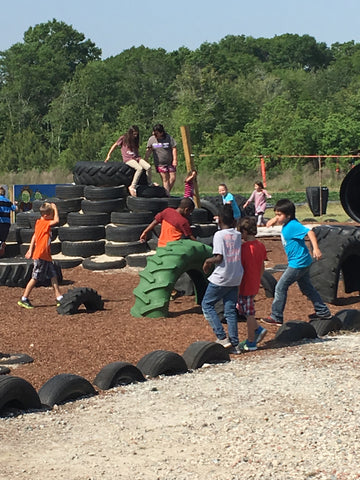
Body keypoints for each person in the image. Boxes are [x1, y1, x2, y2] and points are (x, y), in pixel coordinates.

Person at [262, 198, 331, 326]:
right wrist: (274, 219)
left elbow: (309, 232)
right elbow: (280, 218)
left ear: (288, 215)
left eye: (279, 215)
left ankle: (276, 316)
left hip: (298, 263)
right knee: (307, 288)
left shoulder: (293, 225)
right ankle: (323, 311)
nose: (277, 217)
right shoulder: (287, 223)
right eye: (276, 214)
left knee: (280, 287)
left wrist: (316, 248)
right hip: (303, 261)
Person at [201, 204, 243, 354]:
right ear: (234, 221)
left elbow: (219, 258)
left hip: (221, 277)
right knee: (230, 311)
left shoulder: (219, 235)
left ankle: (222, 337)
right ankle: (235, 344)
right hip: (236, 276)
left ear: (219, 221)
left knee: (207, 305)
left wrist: (207, 261)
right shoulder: (237, 235)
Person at [17, 202, 63, 309]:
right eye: (51, 214)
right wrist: (55, 209)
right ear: (46, 215)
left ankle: (59, 297)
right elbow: (57, 221)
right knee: (35, 277)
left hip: (46, 255)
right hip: (41, 256)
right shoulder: (44, 223)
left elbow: (34, 236)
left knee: (53, 275)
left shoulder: (39, 223)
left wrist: (30, 249)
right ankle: (24, 298)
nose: (53, 216)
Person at [237, 217, 268, 351]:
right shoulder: (260, 245)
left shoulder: (243, 248)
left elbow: (240, 268)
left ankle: (251, 341)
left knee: (249, 313)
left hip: (245, 283)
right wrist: (259, 278)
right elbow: (262, 265)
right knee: (244, 309)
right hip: (255, 280)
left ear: (244, 231)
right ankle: (258, 329)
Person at [105, 125, 152, 197]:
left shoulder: (136, 139)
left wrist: (140, 158)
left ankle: (149, 183)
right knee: (139, 168)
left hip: (137, 157)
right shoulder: (123, 138)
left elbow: (136, 150)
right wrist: (109, 155)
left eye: (136, 134)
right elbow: (114, 145)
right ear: (130, 133)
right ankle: (132, 186)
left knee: (148, 167)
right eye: (134, 134)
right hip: (128, 159)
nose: (135, 136)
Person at [145, 124, 177, 195]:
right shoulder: (152, 139)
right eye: (154, 132)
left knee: (173, 178)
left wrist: (175, 159)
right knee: (165, 179)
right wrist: (146, 160)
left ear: (161, 132)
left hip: (170, 162)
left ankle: (165, 192)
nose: (154, 134)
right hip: (160, 163)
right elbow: (149, 150)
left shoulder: (168, 138)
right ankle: (166, 194)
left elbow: (174, 148)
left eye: (156, 133)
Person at [0, 186, 17, 257]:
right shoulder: (8, 201)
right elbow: (15, 209)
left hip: (0, 221)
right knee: (3, 239)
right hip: (7, 223)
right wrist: (15, 204)